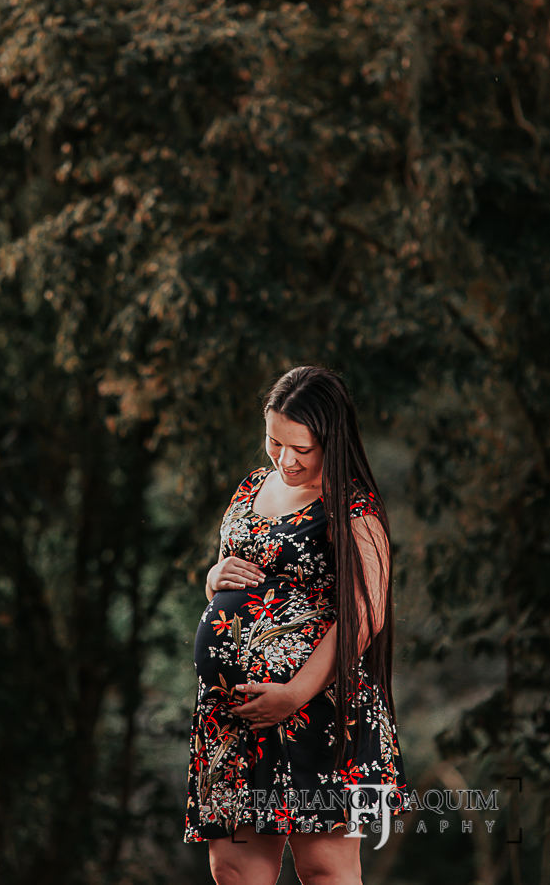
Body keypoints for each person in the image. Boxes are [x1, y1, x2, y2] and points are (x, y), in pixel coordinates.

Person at [183, 366, 411, 885]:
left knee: (324, 869)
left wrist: (294, 693)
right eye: (274, 442)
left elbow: (366, 614)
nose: (284, 459)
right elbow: (234, 585)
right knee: (234, 870)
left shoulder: (353, 505)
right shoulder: (250, 488)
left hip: (318, 708)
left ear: (332, 441)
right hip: (234, 717)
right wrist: (214, 579)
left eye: (300, 449)